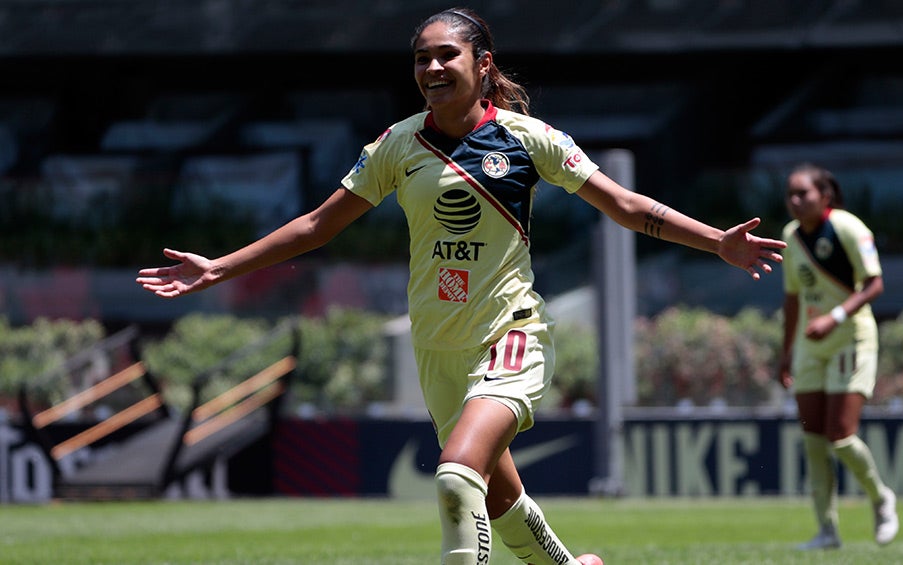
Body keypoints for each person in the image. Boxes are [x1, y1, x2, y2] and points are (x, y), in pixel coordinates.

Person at [137, 7, 786, 564]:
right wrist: (220, 266)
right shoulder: (397, 145)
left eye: (446, 54)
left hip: (509, 337)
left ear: (483, 63)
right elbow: (315, 225)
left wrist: (716, 240)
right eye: (420, 58)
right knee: (498, 499)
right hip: (438, 350)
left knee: (453, 476)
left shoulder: (525, 140)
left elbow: (621, 203)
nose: (431, 68)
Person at [777, 162, 899, 550]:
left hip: (850, 337)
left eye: (804, 194)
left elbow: (875, 283)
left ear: (824, 196)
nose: (795, 201)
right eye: (790, 195)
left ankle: (881, 498)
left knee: (840, 436)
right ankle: (827, 530)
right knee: (813, 440)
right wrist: (786, 352)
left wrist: (836, 316)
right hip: (810, 346)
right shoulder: (790, 236)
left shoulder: (848, 227)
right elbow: (794, 298)